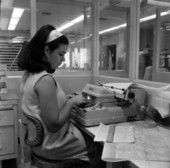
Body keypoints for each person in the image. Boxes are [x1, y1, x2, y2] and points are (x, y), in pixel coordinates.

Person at [18, 24, 106, 168]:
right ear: (47, 51)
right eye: (61, 54)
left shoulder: (29, 75)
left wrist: (64, 99)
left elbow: (42, 105)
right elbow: (54, 125)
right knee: (101, 147)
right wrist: (71, 102)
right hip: (54, 146)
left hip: (40, 144)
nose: (63, 59)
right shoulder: (45, 79)